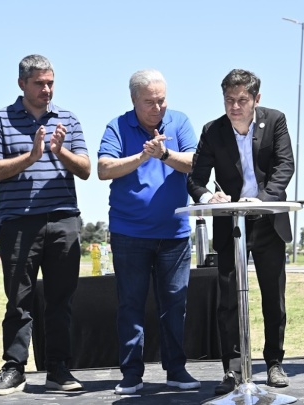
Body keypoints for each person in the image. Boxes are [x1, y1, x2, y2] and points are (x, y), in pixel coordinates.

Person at [0, 54, 90, 395]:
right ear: (22, 84)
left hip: (63, 220)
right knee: (19, 300)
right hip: (18, 223)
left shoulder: (68, 119)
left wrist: (60, 151)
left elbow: (86, 169)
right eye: (39, 83)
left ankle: (58, 369)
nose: (47, 89)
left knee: (61, 300)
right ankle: (14, 368)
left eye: (50, 83)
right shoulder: (0, 120)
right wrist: (30, 157)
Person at [187, 69, 294, 395]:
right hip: (231, 225)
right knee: (229, 301)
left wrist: (262, 198)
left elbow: (285, 166)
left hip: (267, 221)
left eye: (242, 100)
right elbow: (195, 179)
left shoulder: (275, 121)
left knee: (273, 298)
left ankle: (274, 363)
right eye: (229, 100)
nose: (234, 107)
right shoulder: (213, 130)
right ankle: (232, 370)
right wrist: (208, 197)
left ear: (256, 99)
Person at [97, 69, 200, 394]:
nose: (158, 107)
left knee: (175, 304)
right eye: (150, 102)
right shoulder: (117, 126)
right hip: (129, 233)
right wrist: (143, 156)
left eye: (162, 100)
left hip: (174, 232)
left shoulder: (180, 122)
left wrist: (164, 154)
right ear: (134, 100)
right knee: (131, 305)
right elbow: (103, 169)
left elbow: (195, 163)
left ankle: (176, 370)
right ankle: (131, 374)